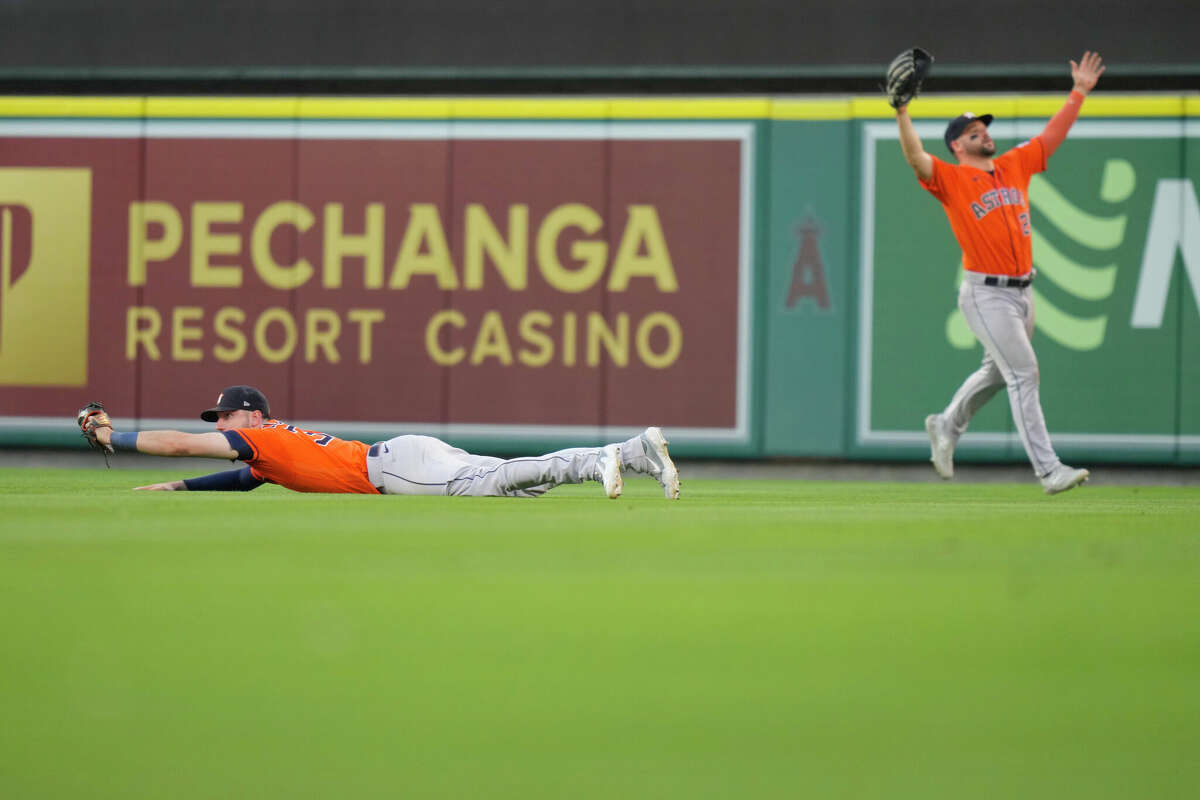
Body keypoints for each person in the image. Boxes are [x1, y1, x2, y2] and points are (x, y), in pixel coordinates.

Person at [894, 51, 1105, 495]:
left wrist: (1078, 94)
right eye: (974, 132)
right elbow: (915, 157)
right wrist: (902, 110)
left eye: (985, 129)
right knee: (1024, 372)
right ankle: (1049, 471)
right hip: (986, 295)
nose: (984, 134)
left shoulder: (1013, 166)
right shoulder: (950, 179)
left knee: (996, 372)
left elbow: (1050, 136)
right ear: (957, 145)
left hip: (1024, 294)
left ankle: (947, 424)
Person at [81, 385, 680, 500]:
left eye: (227, 417)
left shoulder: (256, 439)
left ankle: (599, 459)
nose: (220, 427)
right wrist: (179, 487)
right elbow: (237, 479)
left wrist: (116, 435)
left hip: (392, 470)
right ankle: (633, 451)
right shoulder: (265, 456)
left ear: (253, 416)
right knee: (509, 482)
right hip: (401, 454)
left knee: (495, 482)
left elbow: (183, 444)